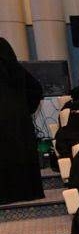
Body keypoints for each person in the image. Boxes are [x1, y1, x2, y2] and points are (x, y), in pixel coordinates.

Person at [0, 37, 44, 204]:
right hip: (19, 123)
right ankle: (26, 192)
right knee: (21, 157)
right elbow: (36, 89)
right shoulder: (17, 70)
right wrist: (25, 109)